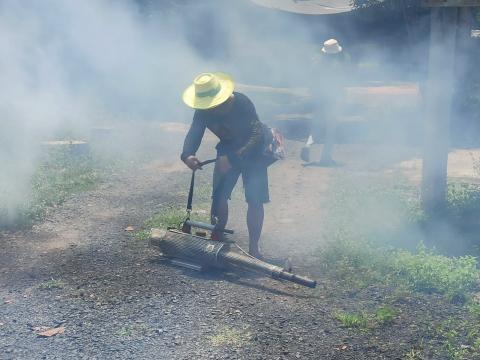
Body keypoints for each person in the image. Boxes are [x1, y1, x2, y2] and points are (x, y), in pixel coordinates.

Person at [181, 72, 271, 259]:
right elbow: (194, 133)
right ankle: (217, 237)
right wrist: (187, 154)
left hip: (252, 153)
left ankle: (254, 247)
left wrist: (232, 157)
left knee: (255, 199)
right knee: (219, 195)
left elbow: (256, 134)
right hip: (227, 150)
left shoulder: (241, 103)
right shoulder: (202, 111)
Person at [301, 38, 348, 166]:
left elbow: (311, 82)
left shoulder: (316, 63)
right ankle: (326, 157)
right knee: (331, 129)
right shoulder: (336, 66)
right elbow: (340, 84)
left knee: (317, 127)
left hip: (319, 99)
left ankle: (307, 145)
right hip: (331, 100)